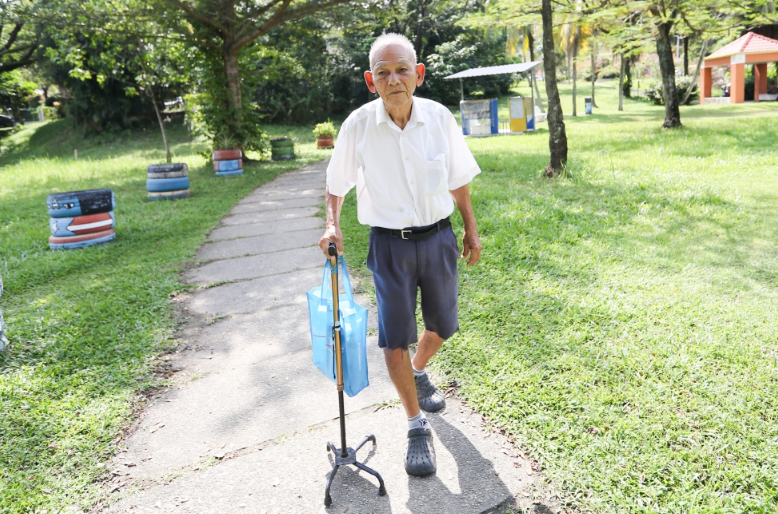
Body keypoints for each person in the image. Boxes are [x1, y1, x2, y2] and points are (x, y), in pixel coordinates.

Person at [318, 33, 482, 477]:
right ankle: (415, 425)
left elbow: (458, 178)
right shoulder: (358, 125)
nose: (394, 80)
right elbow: (336, 183)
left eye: (402, 70)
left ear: (418, 74)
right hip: (389, 244)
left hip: (438, 237)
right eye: (384, 73)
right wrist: (332, 224)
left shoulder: (439, 117)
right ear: (371, 80)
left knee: (443, 325)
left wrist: (470, 228)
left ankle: (418, 370)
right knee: (394, 338)